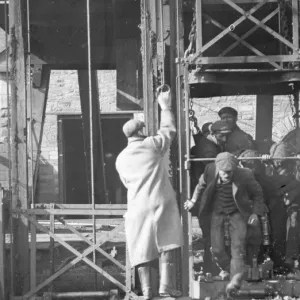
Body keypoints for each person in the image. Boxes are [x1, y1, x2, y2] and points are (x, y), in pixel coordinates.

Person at [116, 86, 183, 299]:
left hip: (137, 207)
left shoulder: (121, 158)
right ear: (141, 132)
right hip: (160, 202)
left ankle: (147, 291)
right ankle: (166, 287)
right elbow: (168, 130)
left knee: (141, 248)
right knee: (167, 242)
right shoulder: (152, 145)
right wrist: (165, 106)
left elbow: (126, 182)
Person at [184, 152, 265, 280]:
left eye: (230, 172)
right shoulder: (209, 169)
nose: (226, 175)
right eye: (223, 172)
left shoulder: (245, 174)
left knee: (238, 247)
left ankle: (235, 278)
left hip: (237, 211)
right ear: (217, 168)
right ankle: (229, 269)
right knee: (216, 249)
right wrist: (193, 201)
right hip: (217, 211)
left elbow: (257, 194)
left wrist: (255, 212)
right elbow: (200, 186)